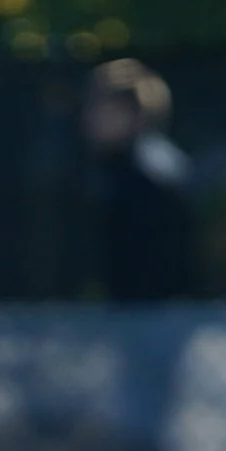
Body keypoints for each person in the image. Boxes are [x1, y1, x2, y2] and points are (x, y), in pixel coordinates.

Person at [83, 58, 196, 302]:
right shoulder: (117, 168)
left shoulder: (149, 175)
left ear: (131, 112)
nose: (89, 119)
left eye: (100, 108)